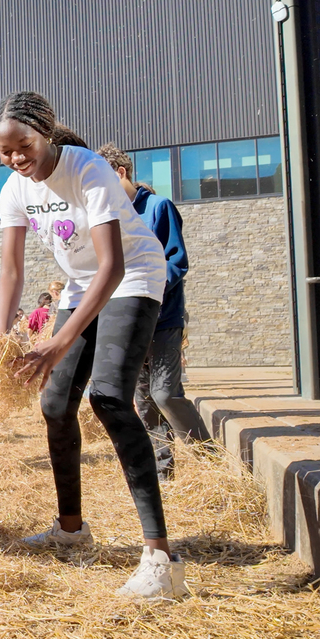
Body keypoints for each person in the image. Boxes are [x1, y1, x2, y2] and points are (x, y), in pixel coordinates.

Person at [0, 91, 189, 600]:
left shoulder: (87, 168)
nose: (16, 159)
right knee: (55, 403)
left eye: (24, 145)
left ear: (46, 133)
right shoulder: (15, 189)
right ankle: (72, 527)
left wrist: (59, 340)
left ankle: (160, 559)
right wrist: (0, 335)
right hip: (81, 286)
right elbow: (11, 269)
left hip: (134, 278)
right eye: (5, 152)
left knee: (107, 398)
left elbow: (113, 266)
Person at [96, 143, 210, 476]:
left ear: (120, 173)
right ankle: (164, 473)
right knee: (145, 404)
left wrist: (146, 294)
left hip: (163, 320)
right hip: (130, 325)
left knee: (164, 394)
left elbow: (176, 262)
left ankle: (211, 462)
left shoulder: (159, 208)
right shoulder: (111, 219)